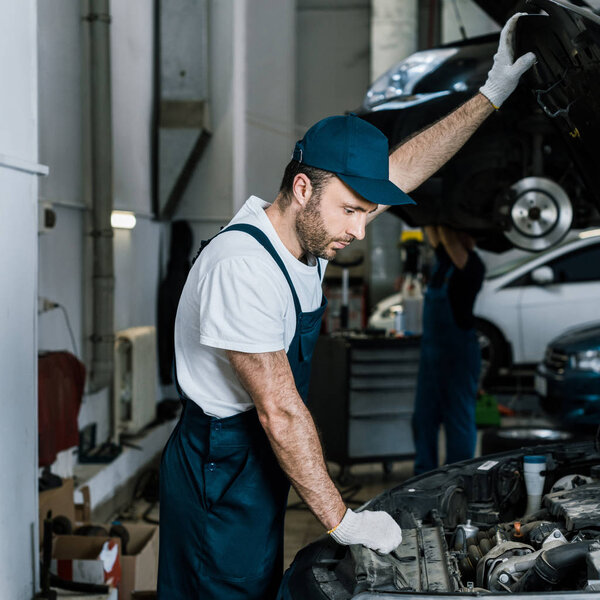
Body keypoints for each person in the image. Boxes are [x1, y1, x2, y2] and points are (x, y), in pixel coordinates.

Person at [157, 13, 535, 599]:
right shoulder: (244, 268)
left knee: (256, 584)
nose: (360, 231)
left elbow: (405, 169)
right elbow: (280, 413)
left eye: (365, 212)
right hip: (219, 471)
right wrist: (342, 519)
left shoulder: (307, 235)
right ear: (303, 188)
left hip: (252, 464)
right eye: (352, 212)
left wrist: (489, 95)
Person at [412, 226, 486, 476]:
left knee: (458, 421)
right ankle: (424, 477)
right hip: (431, 357)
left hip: (459, 356)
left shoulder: (473, 265)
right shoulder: (443, 262)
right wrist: (427, 214)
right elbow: (436, 235)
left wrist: (444, 215)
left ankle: (459, 477)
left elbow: (446, 236)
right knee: (423, 420)